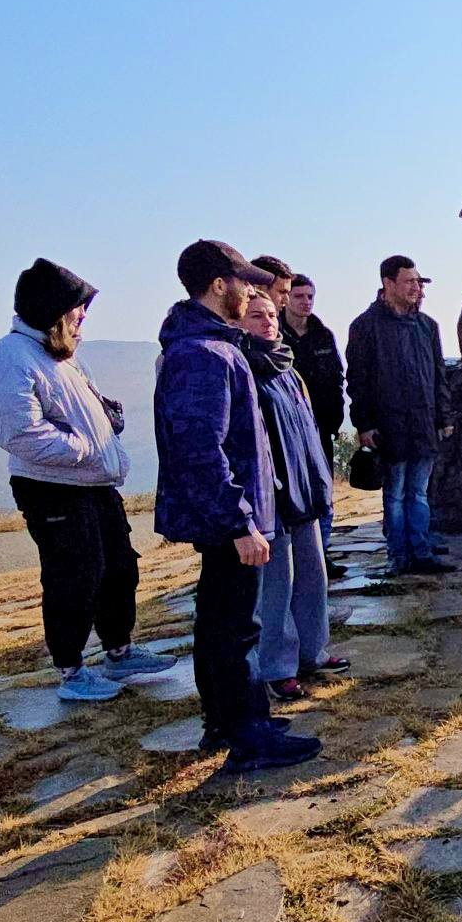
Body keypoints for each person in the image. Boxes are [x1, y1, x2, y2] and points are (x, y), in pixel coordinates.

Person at [154, 239, 323, 774]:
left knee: (221, 623)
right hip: (229, 519)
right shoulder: (202, 354)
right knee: (235, 629)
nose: (251, 292)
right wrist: (241, 522)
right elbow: (202, 449)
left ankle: (229, 722)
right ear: (218, 285)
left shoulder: (210, 346)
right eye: (244, 284)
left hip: (230, 516)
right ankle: (247, 735)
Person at [0, 258, 175, 701]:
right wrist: (85, 446)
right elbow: (18, 433)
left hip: (94, 484)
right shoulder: (12, 356)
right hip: (53, 489)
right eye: (77, 307)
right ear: (52, 309)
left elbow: (75, 412)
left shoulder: (62, 356)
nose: (83, 315)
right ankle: (71, 671)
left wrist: (106, 423)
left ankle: (119, 652)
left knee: (119, 568)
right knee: (74, 577)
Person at [239, 289, 349, 702]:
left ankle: (312, 651)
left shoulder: (286, 366)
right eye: (256, 315)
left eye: (271, 314)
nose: (268, 321)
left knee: (312, 575)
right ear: (239, 322)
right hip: (274, 496)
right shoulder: (245, 368)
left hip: (305, 491)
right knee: (277, 586)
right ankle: (278, 666)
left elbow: (306, 428)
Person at [345, 255, 454, 575]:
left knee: (419, 494)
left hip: (423, 424)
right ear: (387, 283)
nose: (415, 287)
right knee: (394, 495)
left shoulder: (427, 326)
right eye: (409, 281)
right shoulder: (365, 326)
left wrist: (444, 416)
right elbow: (357, 380)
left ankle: (422, 552)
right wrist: (364, 424)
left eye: (418, 281)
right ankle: (399, 556)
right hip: (388, 426)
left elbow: (439, 375)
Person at [258, 257, 349, 581]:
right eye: (297, 295)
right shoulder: (273, 335)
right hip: (285, 432)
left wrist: (335, 418)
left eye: (310, 296)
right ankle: (299, 562)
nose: (304, 301)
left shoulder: (322, 334)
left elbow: (337, 376)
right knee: (294, 499)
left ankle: (321, 555)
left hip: (320, 427)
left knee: (321, 493)